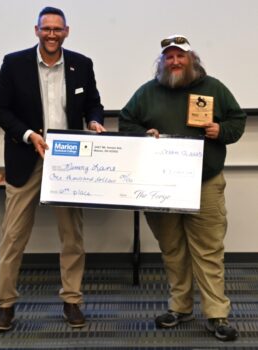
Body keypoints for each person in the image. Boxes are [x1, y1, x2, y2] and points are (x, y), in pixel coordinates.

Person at [119, 34, 246, 341]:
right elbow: (126, 122)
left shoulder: (213, 88)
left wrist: (220, 130)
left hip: (205, 183)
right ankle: (181, 306)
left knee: (208, 250)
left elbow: (237, 120)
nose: (175, 61)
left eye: (181, 56)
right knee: (173, 249)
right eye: (169, 57)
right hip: (160, 186)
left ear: (192, 59)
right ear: (162, 62)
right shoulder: (147, 92)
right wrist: (142, 133)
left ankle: (217, 314)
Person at [0, 6, 105, 331]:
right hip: (26, 158)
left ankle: (72, 300)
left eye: (57, 29)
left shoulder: (82, 65)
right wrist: (29, 135)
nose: (52, 34)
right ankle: (5, 306)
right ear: (36, 30)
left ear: (66, 31)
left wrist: (95, 120)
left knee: (72, 237)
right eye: (46, 29)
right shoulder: (14, 64)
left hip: (68, 162)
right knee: (13, 237)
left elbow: (93, 101)